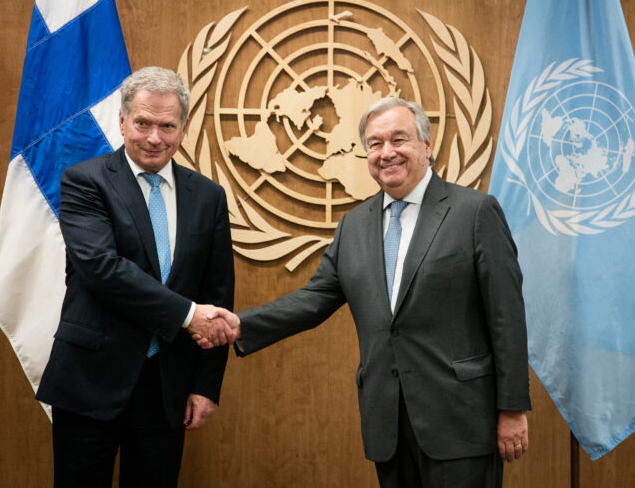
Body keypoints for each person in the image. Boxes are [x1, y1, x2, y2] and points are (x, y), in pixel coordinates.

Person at [203, 97, 531, 487]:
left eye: (399, 139)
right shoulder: (354, 226)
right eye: (375, 144)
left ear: (427, 146)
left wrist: (512, 408)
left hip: (459, 421)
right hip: (387, 421)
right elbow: (314, 299)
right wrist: (241, 324)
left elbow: (506, 316)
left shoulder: (475, 212)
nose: (386, 152)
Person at [36, 66, 236, 488]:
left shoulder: (209, 197)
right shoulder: (85, 181)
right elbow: (103, 269)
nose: (154, 137)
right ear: (123, 120)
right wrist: (188, 314)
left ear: (183, 129)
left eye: (167, 126)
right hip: (90, 381)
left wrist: (206, 385)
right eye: (143, 123)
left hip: (167, 390)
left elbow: (217, 294)